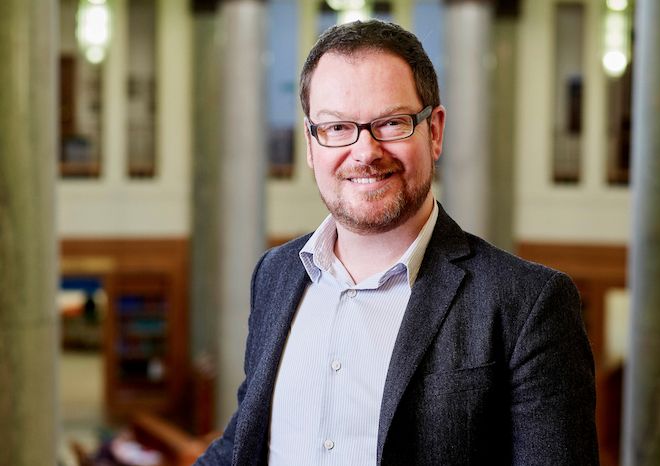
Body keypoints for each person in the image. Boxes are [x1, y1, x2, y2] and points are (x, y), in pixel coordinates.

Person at [196, 20, 598, 466]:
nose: (365, 152)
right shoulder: (274, 273)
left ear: (435, 131)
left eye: (391, 123)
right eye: (335, 128)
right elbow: (244, 444)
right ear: (312, 145)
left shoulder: (528, 304)